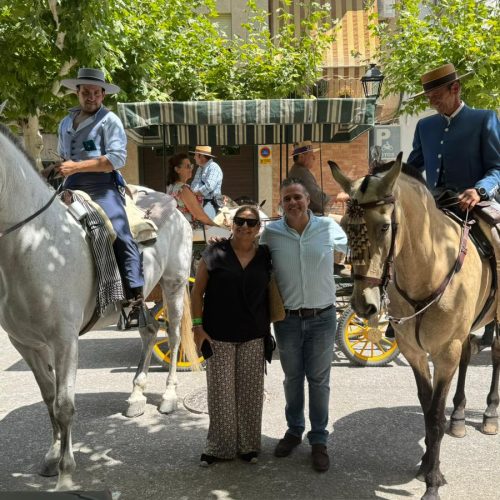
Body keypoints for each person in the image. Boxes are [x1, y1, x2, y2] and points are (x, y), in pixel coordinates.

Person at [407, 62, 500, 346]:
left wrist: (480, 191)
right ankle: (398, 310)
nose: (432, 103)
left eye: (437, 97)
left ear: (455, 88)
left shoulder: (484, 119)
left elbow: (497, 168)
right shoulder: (425, 126)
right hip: (436, 205)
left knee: (499, 240)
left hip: (475, 203)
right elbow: (412, 168)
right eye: (429, 99)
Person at [259, 178, 347, 472]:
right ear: (280, 204)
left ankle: (319, 439)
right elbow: (250, 257)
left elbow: (358, 245)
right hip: (287, 321)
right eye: (287, 199)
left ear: (308, 200)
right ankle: (295, 430)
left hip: (322, 317)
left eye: (298, 197)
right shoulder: (270, 234)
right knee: (293, 379)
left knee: (319, 382)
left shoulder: (327, 227)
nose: (293, 203)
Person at [57, 68, 144, 309]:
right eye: (86, 92)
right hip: (69, 185)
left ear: (103, 94)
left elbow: (116, 159)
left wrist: (76, 167)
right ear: (77, 92)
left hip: (101, 186)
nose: (91, 97)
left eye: (96, 93)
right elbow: (65, 158)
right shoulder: (65, 122)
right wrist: (53, 169)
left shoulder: (110, 121)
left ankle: (135, 294)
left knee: (120, 233)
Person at [190, 205, 271, 466]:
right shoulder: (215, 252)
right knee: (221, 394)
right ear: (232, 223)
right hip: (218, 335)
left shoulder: (266, 255)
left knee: (250, 395)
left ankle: (248, 446)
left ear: (258, 229)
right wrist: (197, 326)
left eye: (251, 223)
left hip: (254, 335)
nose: (245, 227)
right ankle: (219, 447)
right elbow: (196, 292)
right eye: (240, 221)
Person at [166, 153, 217, 227]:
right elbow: (199, 215)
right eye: (187, 166)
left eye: (191, 166)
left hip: (179, 229)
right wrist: (217, 226)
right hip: (190, 231)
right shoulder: (183, 189)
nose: (191, 169)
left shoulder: (172, 186)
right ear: (177, 169)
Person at [287, 141, 331, 215]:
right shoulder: (301, 172)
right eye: (311, 155)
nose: (314, 157)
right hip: (310, 217)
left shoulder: (297, 170)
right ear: (301, 157)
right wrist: (333, 198)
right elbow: (318, 197)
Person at [190, 145, 223, 219]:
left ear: (201, 156)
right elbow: (194, 185)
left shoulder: (214, 167)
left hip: (211, 202)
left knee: (206, 225)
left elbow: (209, 186)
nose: (194, 157)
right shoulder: (200, 168)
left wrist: (194, 194)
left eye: (195, 155)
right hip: (200, 202)